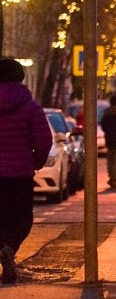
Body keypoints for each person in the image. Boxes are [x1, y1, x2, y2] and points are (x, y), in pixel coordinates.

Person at [0, 56, 53, 285]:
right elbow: (44, 141)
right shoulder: (31, 108)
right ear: (21, 77)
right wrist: (36, 161)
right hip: (20, 174)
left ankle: (3, 247)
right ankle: (10, 248)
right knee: (21, 218)